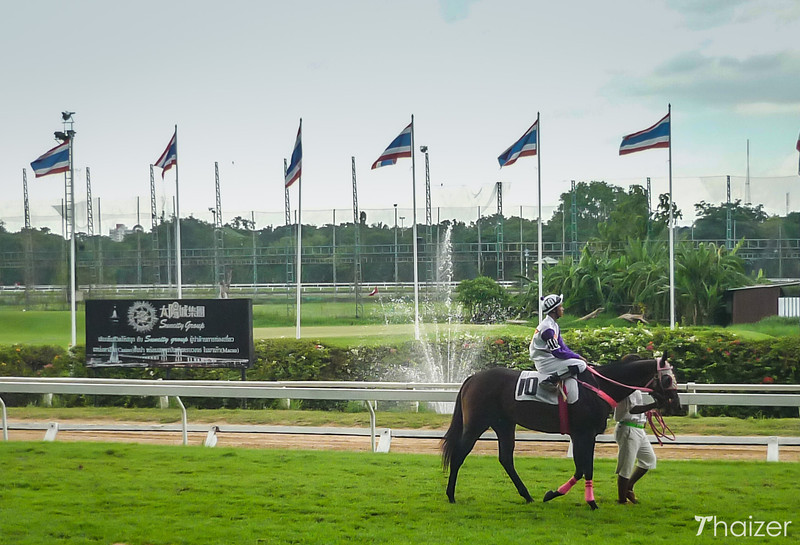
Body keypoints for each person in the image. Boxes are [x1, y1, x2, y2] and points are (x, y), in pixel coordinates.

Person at [613, 388, 661, 504]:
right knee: (626, 465)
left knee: (649, 459)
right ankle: (622, 500)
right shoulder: (626, 390)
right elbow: (633, 409)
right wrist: (655, 404)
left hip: (638, 429)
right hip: (628, 429)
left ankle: (628, 487)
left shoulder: (636, 390)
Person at [529, 294, 588, 380]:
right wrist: (578, 357)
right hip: (545, 363)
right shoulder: (547, 328)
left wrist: (576, 356)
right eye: (560, 307)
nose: (562, 309)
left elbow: (563, 347)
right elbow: (557, 352)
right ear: (553, 310)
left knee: (581, 363)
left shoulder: (554, 325)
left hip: (550, 359)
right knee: (581, 365)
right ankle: (551, 381)